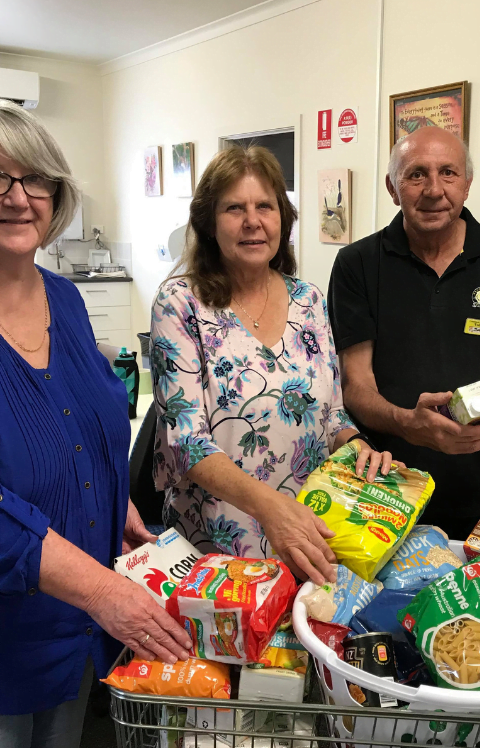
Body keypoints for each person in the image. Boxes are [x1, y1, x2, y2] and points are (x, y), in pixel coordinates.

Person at [0, 100, 191, 748]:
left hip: (77, 630)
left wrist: (118, 502)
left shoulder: (66, 300)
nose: (17, 197)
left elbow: (94, 424)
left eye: (35, 179)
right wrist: (103, 591)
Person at [151, 145, 396, 586]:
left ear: (282, 218)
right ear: (209, 223)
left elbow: (332, 414)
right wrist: (271, 508)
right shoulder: (180, 303)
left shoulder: (309, 300)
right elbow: (186, 442)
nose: (252, 221)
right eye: (234, 208)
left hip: (308, 533)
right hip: (216, 548)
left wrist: (357, 445)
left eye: (265, 206)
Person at [327, 126, 480, 539]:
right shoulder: (356, 264)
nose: (434, 190)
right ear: (392, 188)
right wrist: (406, 423)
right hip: (386, 496)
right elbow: (355, 384)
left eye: (448, 173)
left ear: (467, 184)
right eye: (416, 174)